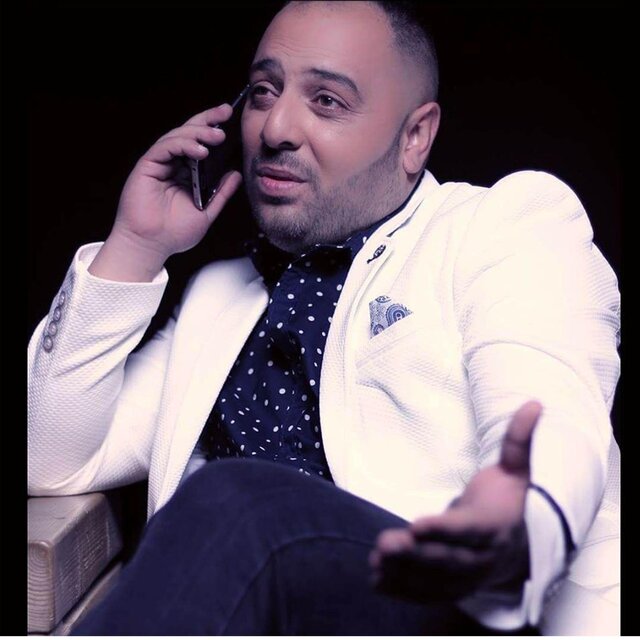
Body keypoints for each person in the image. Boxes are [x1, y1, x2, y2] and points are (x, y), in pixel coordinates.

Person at [27, 0, 620, 635]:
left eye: (327, 101)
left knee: (235, 498)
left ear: (415, 136)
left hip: (447, 602)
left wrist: (523, 516)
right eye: (263, 92)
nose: (275, 128)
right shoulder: (218, 297)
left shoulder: (501, 230)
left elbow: (553, 415)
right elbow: (52, 459)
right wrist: (135, 245)